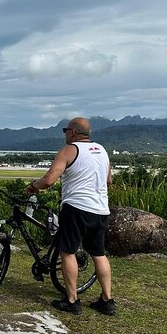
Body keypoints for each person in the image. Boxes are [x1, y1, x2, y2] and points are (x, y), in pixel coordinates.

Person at [26, 117, 116, 316]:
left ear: (73, 132)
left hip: (76, 208)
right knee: (98, 254)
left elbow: (49, 180)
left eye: (65, 130)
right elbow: (109, 181)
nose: (65, 133)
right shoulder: (102, 150)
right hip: (100, 210)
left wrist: (33, 186)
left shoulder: (69, 150)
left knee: (67, 252)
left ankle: (72, 300)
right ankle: (107, 300)